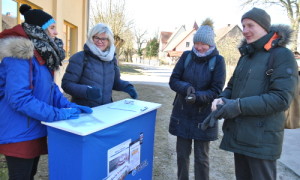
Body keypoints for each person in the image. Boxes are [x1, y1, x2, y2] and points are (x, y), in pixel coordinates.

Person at [0, 4, 92, 180]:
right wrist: (58, 114)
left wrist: (69, 106)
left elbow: (51, 89)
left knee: (30, 175)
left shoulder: (41, 55)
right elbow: (19, 98)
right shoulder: (19, 57)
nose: (56, 33)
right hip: (18, 132)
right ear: (37, 31)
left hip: (33, 127)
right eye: (52, 28)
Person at [211, 7, 298, 180]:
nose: (245, 31)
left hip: (262, 141)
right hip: (239, 134)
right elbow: (231, 86)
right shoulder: (246, 56)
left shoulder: (282, 55)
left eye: (250, 25)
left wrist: (238, 106)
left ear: (264, 27)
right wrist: (221, 99)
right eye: (243, 26)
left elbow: (281, 99)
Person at [169, 18, 226, 180]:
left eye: (203, 44)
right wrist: (186, 88)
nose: (199, 47)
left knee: (201, 158)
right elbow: (173, 80)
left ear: (211, 44)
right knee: (182, 156)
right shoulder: (186, 56)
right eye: (196, 43)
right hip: (182, 114)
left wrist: (198, 97)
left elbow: (216, 90)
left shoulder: (218, 61)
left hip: (204, 116)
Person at [61, 23, 138, 108]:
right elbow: (67, 84)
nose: (100, 41)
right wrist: (87, 91)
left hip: (105, 110)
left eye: (104, 39)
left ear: (109, 41)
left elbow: (114, 82)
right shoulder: (80, 58)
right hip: (84, 110)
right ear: (91, 38)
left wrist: (127, 87)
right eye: (96, 37)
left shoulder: (111, 59)